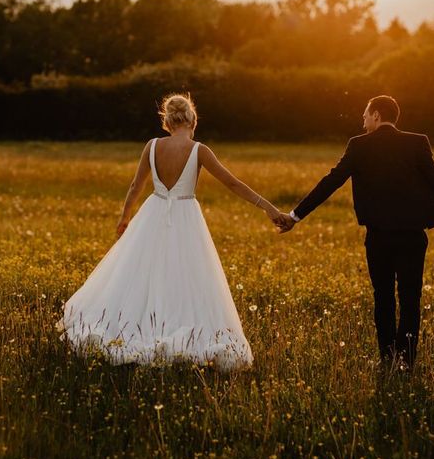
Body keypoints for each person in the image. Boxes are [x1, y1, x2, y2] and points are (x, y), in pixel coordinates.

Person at [57, 93, 282, 371]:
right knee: (187, 276)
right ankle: (180, 329)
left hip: (152, 214)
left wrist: (125, 219)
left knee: (142, 274)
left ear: (167, 121)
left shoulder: (152, 146)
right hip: (186, 219)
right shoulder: (199, 150)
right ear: (192, 120)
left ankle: (138, 326)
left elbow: (134, 186)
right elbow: (232, 183)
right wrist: (268, 207)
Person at [276, 95, 434, 370]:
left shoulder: (359, 146)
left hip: (378, 236)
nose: (362, 121)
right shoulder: (417, 142)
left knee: (382, 295)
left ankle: (387, 358)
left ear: (376, 115)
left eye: (365, 115)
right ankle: (406, 362)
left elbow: (331, 182)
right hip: (413, 235)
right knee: (411, 298)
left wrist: (295, 215)